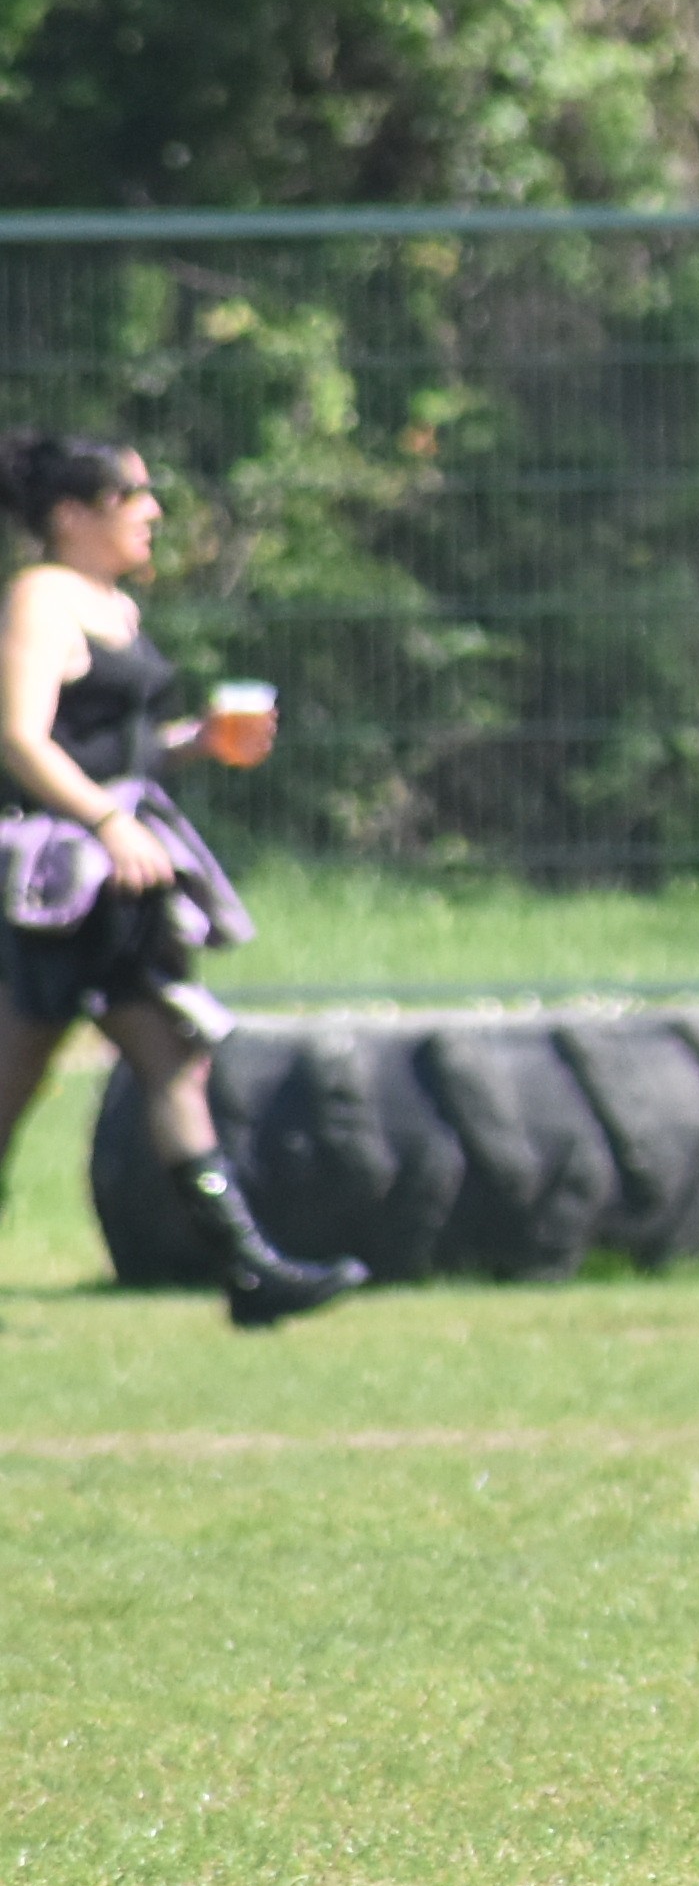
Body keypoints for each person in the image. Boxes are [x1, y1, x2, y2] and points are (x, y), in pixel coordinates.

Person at [0, 434, 356, 1325]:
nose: (153, 511)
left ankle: (248, 1271)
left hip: (117, 880)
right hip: (60, 884)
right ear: (73, 515)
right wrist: (110, 820)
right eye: (134, 495)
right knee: (79, 1066)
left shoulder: (111, 605)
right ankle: (249, 1272)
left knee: (162, 1058)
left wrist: (191, 744)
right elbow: (21, 740)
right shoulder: (43, 600)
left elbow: (106, 746)